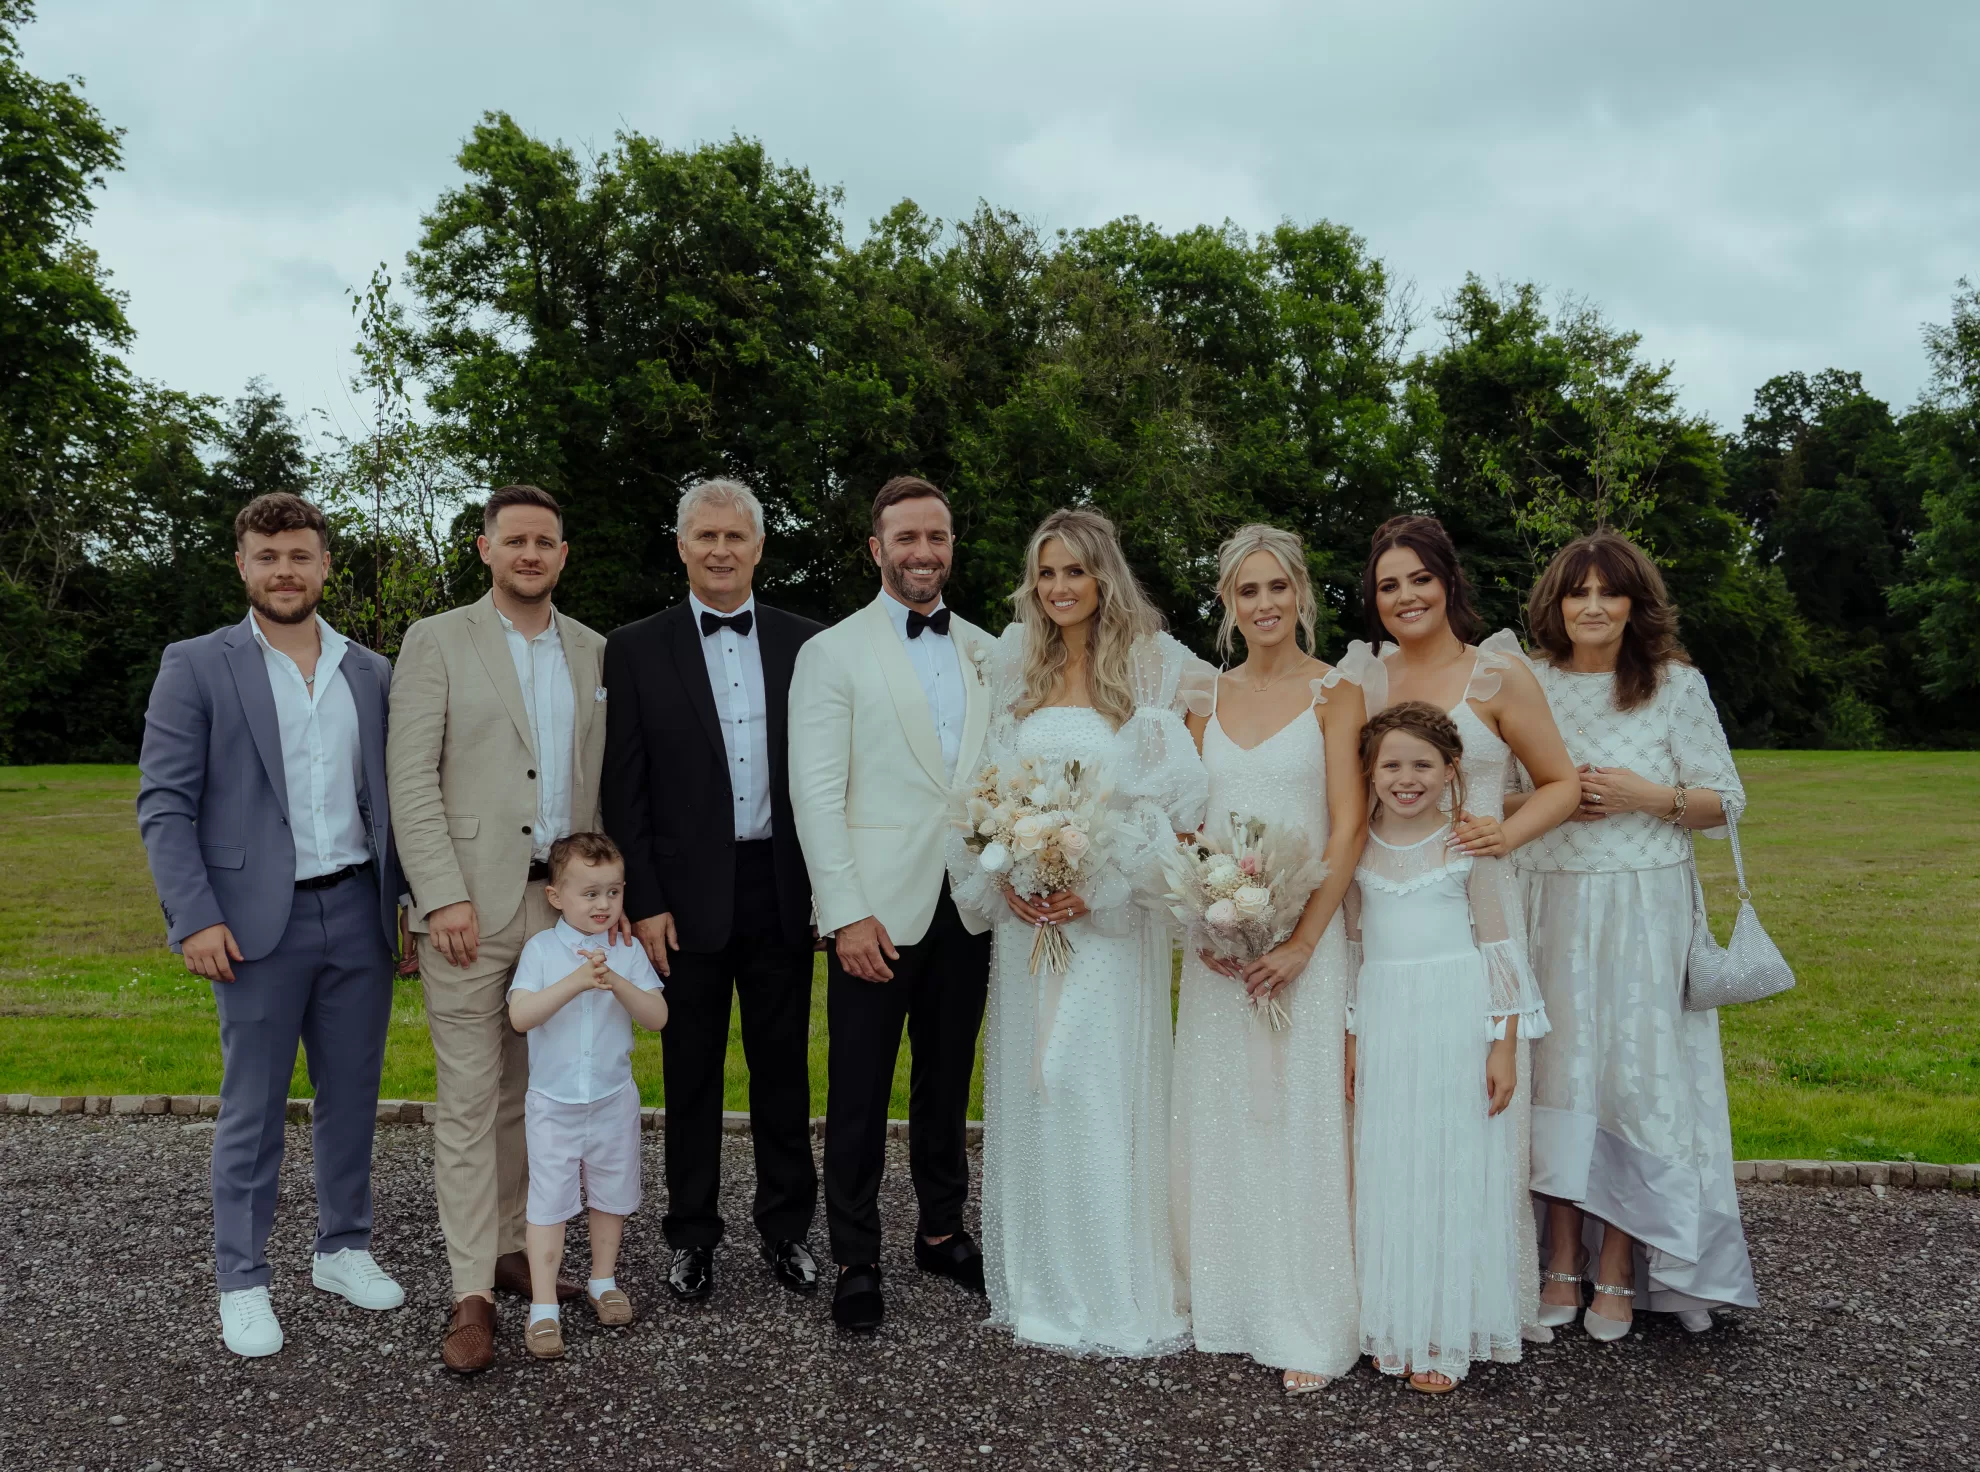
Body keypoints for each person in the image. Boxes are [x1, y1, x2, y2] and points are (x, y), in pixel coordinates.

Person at [137, 491, 404, 1359]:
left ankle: (343, 1248)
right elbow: (164, 805)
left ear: (326, 564)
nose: (284, 571)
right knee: (251, 1109)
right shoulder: (196, 664)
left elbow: (391, 801)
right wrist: (194, 918)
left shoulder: (370, 669)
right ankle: (243, 1280)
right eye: (267, 556)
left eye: (300, 555)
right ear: (242, 564)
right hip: (253, 926)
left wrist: (401, 901)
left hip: (357, 912)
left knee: (352, 1099)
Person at [948, 506, 1213, 1356]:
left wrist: (1093, 887)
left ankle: (1107, 1284)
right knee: (1035, 1087)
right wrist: (1011, 874)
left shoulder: (1153, 666)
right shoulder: (1014, 660)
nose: (1060, 588)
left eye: (1075, 571)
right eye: (1046, 573)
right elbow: (989, 787)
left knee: (1088, 1083)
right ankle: (1041, 1281)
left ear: (1104, 576)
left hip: (1107, 924)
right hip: (1030, 927)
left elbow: (1175, 804)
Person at [1508, 529, 1757, 1339]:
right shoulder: (1529, 682)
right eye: (1576, 592)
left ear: (1632, 604)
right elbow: (1496, 794)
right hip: (1547, 901)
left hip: (1643, 909)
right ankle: (1560, 1260)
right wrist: (1553, 799)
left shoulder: (1674, 686)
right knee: (1555, 1080)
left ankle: (1623, 1265)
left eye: (1607, 592)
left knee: (1632, 1083)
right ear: (1556, 602)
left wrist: (1647, 796)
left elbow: (1726, 802)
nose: (1591, 606)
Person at [1339, 514, 1579, 1337]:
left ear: (1449, 581)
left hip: (1473, 901)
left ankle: (1464, 1307)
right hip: (1382, 903)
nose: (1405, 597)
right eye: (1387, 585)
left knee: (1468, 1130)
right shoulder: (1361, 680)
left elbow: (1560, 783)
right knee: (1389, 1137)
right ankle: (1390, 1305)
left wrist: (1500, 834)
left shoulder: (1498, 677)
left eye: (1418, 579)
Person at [387, 483, 609, 1373]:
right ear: (484, 549)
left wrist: (599, 894)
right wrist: (439, 895)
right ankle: (470, 1289)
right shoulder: (437, 639)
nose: (530, 553)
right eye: (514, 539)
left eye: (545, 541)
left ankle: (520, 1244)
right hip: (469, 911)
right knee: (472, 1099)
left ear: (562, 553)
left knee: (534, 1092)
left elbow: (596, 782)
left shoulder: (594, 650)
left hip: (557, 910)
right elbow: (412, 777)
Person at [601, 478, 825, 1303]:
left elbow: (833, 777)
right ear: (682, 546)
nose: (722, 550)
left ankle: (787, 1231)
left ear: (759, 547)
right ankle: (691, 1235)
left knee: (782, 1070)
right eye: (706, 537)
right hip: (681, 895)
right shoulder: (634, 647)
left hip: (781, 883)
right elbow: (625, 788)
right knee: (689, 1070)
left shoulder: (810, 645)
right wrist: (647, 897)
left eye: (736, 537)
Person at [789, 475, 999, 1332]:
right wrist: (844, 914)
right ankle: (855, 1255)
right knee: (860, 1091)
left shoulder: (989, 649)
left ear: (952, 546)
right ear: (877, 550)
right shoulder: (832, 653)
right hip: (876, 913)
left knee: (947, 1084)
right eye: (906, 538)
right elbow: (816, 792)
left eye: (936, 538)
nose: (923, 552)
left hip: (970, 905)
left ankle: (943, 1231)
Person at [1171, 525, 1365, 1393]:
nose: (1263, 605)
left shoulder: (1337, 692)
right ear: (1227, 602)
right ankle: (1226, 1299)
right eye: (1246, 591)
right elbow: (1182, 825)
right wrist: (1206, 925)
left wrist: (1299, 942)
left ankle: (1304, 1313)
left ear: (1301, 593)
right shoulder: (1200, 697)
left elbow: (1349, 824)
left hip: (1304, 948)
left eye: (1276, 588)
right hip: (1220, 952)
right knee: (1221, 1118)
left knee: (1299, 1120)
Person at [1344, 702, 1550, 1393]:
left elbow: (1499, 947)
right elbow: (1353, 946)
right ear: (1369, 775)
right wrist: (1349, 1036)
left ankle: (1444, 1332)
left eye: (1422, 765)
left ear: (1450, 771)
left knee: (1451, 1163)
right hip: (1386, 1016)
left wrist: (1503, 1046)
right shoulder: (1357, 847)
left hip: (1457, 1016)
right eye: (1391, 766)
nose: (1407, 779)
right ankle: (1393, 1323)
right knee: (1391, 1166)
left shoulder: (1469, 845)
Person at [507, 832, 668, 1360]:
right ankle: (545, 1307)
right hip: (553, 1105)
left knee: (610, 1194)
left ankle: (603, 1279)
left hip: (611, 1100)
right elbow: (521, 1016)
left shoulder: (625, 951)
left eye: (614, 893)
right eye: (590, 894)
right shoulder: (540, 951)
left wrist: (616, 982)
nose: (604, 905)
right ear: (555, 896)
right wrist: (577, 982)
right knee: (549, 1204)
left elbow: (657, 1018)